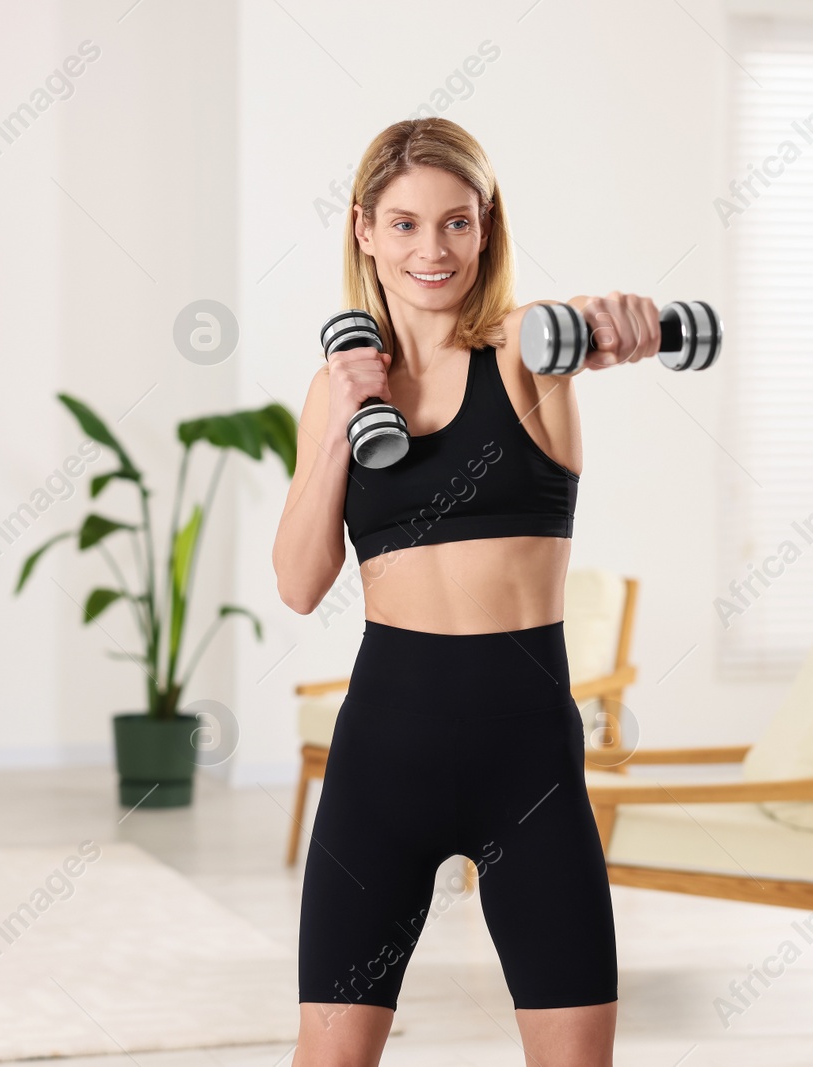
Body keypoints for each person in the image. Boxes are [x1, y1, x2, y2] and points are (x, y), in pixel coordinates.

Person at [272, 116, 662, 1067]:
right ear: (364, 230)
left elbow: (575, 329)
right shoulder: (337, 391)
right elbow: (297, 582)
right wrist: (339, 421)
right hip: (381, 764)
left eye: (455, 222)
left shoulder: (526, 350)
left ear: (486, 227)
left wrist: (616, 321)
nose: (431, 249)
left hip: (526, 770)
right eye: (404, 224)